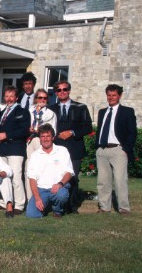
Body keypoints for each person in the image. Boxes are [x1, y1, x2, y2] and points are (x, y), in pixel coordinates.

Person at [49, 81, 92, 214]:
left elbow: (87, 127)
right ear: (55, 92)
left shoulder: (80, 107)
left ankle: (71, 206)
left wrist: (72, 132)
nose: (62, 92)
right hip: (56, 149)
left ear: (69, 90)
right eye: (59, 90)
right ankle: (55, 203)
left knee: (72, 177)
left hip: (74, 148)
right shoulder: (51, 109)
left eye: (65, 89)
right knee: (56, 176)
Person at [95, 84, 137, 214]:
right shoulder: (102, 112)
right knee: (103, 181)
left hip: (118, 149)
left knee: (120, 180)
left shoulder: (127, 111)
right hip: (102, 149)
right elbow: (100, 130)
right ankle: (104, 207)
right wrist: (98, 147)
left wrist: (126, 149)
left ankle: (123, 207)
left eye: (114, 95)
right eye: (109, 95)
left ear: (119, 96)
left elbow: (132, 133)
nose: (111, 97)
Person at [0, 85, 30, 214]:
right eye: (6, 96)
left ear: (16, 97)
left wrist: (6, 135)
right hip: (2, 149)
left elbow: (23, 131)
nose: (9, 99)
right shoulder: (2, 112)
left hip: (15, 149)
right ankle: (4, 202)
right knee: (3, 176)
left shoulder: (22, 112)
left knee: (16, 177)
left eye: (11, 96)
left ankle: (19, 205)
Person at [26, 124, 74, 219]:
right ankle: (46, 205)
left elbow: (69, 172)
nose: (45, 139)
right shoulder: (35, 155)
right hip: (42, 190)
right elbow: (32, 178)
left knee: (62, 195)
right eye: (42, 136)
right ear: (39, 139)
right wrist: (37, 198)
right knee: (31, 215)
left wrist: (60, 184)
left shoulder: (62, 151)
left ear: (53, 137)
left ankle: (57, 210)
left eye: (48, 136)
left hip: (58, 187)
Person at [25, 89, 57, 200]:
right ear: (36, 99)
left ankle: (42, 198)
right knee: (29, 168)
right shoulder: (29, 111)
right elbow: (25, 125)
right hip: (30, 140)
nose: (42, 100)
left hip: (42, 141)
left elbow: (54, 131)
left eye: (44, 98)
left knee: (41, 169)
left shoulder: (50, 113)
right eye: (40, 98)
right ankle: (30, 199)